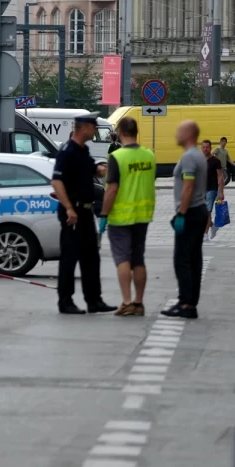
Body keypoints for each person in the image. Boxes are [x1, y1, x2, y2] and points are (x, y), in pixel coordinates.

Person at [51, 113, 116, 315]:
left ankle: (94, 300)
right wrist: (69, 208)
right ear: (84, 128)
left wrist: (99, 169)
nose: (96, 129)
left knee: (91, 258)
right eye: (93, 126)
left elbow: (89, 170)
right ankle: (65, 301)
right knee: (70, 258)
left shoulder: (82, 150)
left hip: (86, 212)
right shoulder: (68, 151)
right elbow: (56, 181)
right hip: (74, 212)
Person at [100, 116, 156, 317]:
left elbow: (112, 188)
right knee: (138, 259)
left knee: (123, 258)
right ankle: (139, 303)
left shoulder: (117, 157)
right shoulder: (149, 155)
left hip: (121, 216)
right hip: (143, 215)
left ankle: (126, 302)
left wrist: (104, 214)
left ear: (120, 133)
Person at [163, 120, 210, 320]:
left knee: (182, 259)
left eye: (179, 130)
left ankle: (185, 303)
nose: (176, 133)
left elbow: (188, 187)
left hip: (190, 212)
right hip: (198, 211)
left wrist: (181, 214)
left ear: (189, 134)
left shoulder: (190, 157)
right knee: (193, 258)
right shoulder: (197, 155)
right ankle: (190, 303)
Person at [201, 140, 224, 242]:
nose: (205, 149)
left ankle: (205, 234)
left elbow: (220, 176)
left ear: (210, 148)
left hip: (211, 189)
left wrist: (221, 191)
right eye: (203, 147)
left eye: (207, 147)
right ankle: (213, 226)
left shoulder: (215, 161)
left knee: (207, 211)